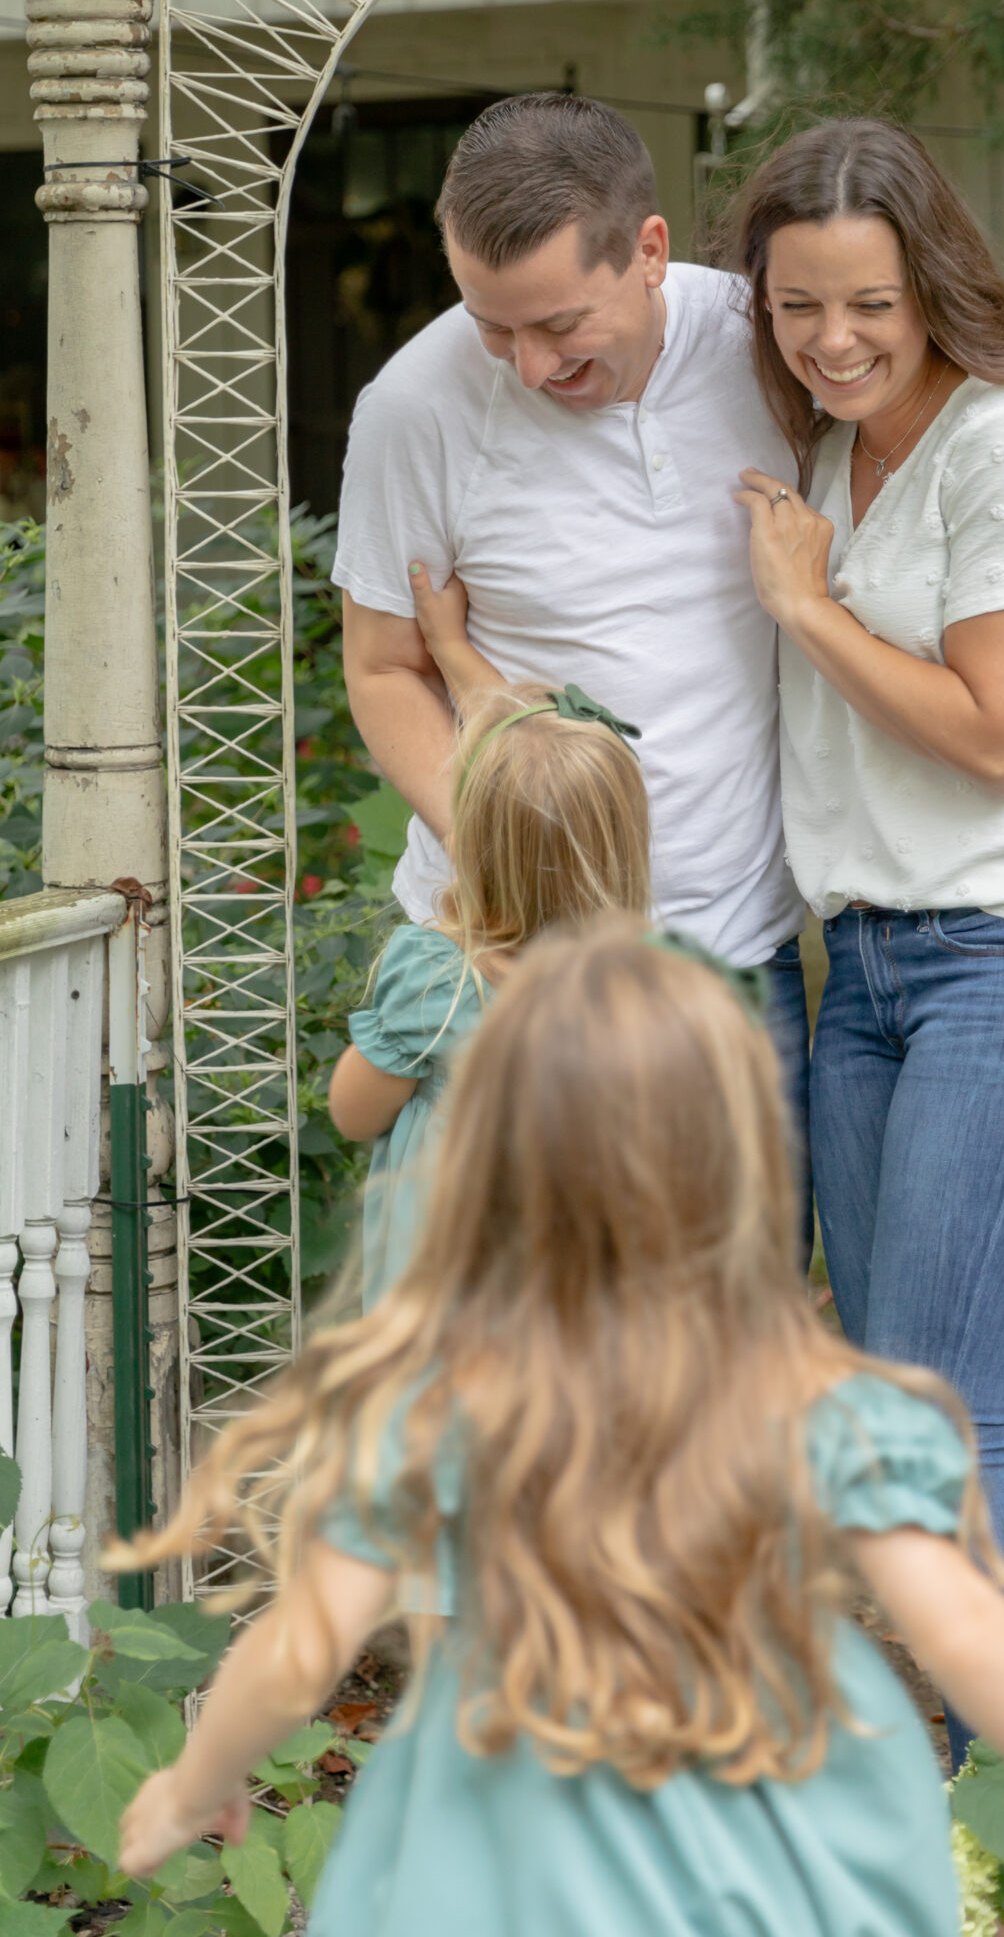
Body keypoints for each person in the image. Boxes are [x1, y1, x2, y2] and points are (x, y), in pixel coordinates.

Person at [115, 926, 1004, 1937]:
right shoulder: (809, 1397)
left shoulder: (443, 1403)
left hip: (509, 1839)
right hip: (776, 1829)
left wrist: (192, 1786)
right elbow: (958, 1621)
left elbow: (303, 1641)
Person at [727, 119, 1004, 1751]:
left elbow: (996, 732)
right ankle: (966, 1832)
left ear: (933, 289)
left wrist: (805, 608)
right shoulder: (839, 456)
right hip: (880, 978)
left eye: (868, 306)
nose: (833, 339)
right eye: (796, 310)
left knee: (943, 1425)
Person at [333, 90, 808, 1174]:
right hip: (506, 973)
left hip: (731, 955)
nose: (529, 366)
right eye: (491, 325)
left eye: (559, 325)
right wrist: (516, 873)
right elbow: (383, 665)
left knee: (729, 1329)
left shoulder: (768, 347)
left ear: (649, 251)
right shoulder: (415, 404)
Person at [329, 680, 650, 1305]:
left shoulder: (438, 982)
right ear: (623, 851)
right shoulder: (639, 993)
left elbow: (352, 1112)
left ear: (470, 843)